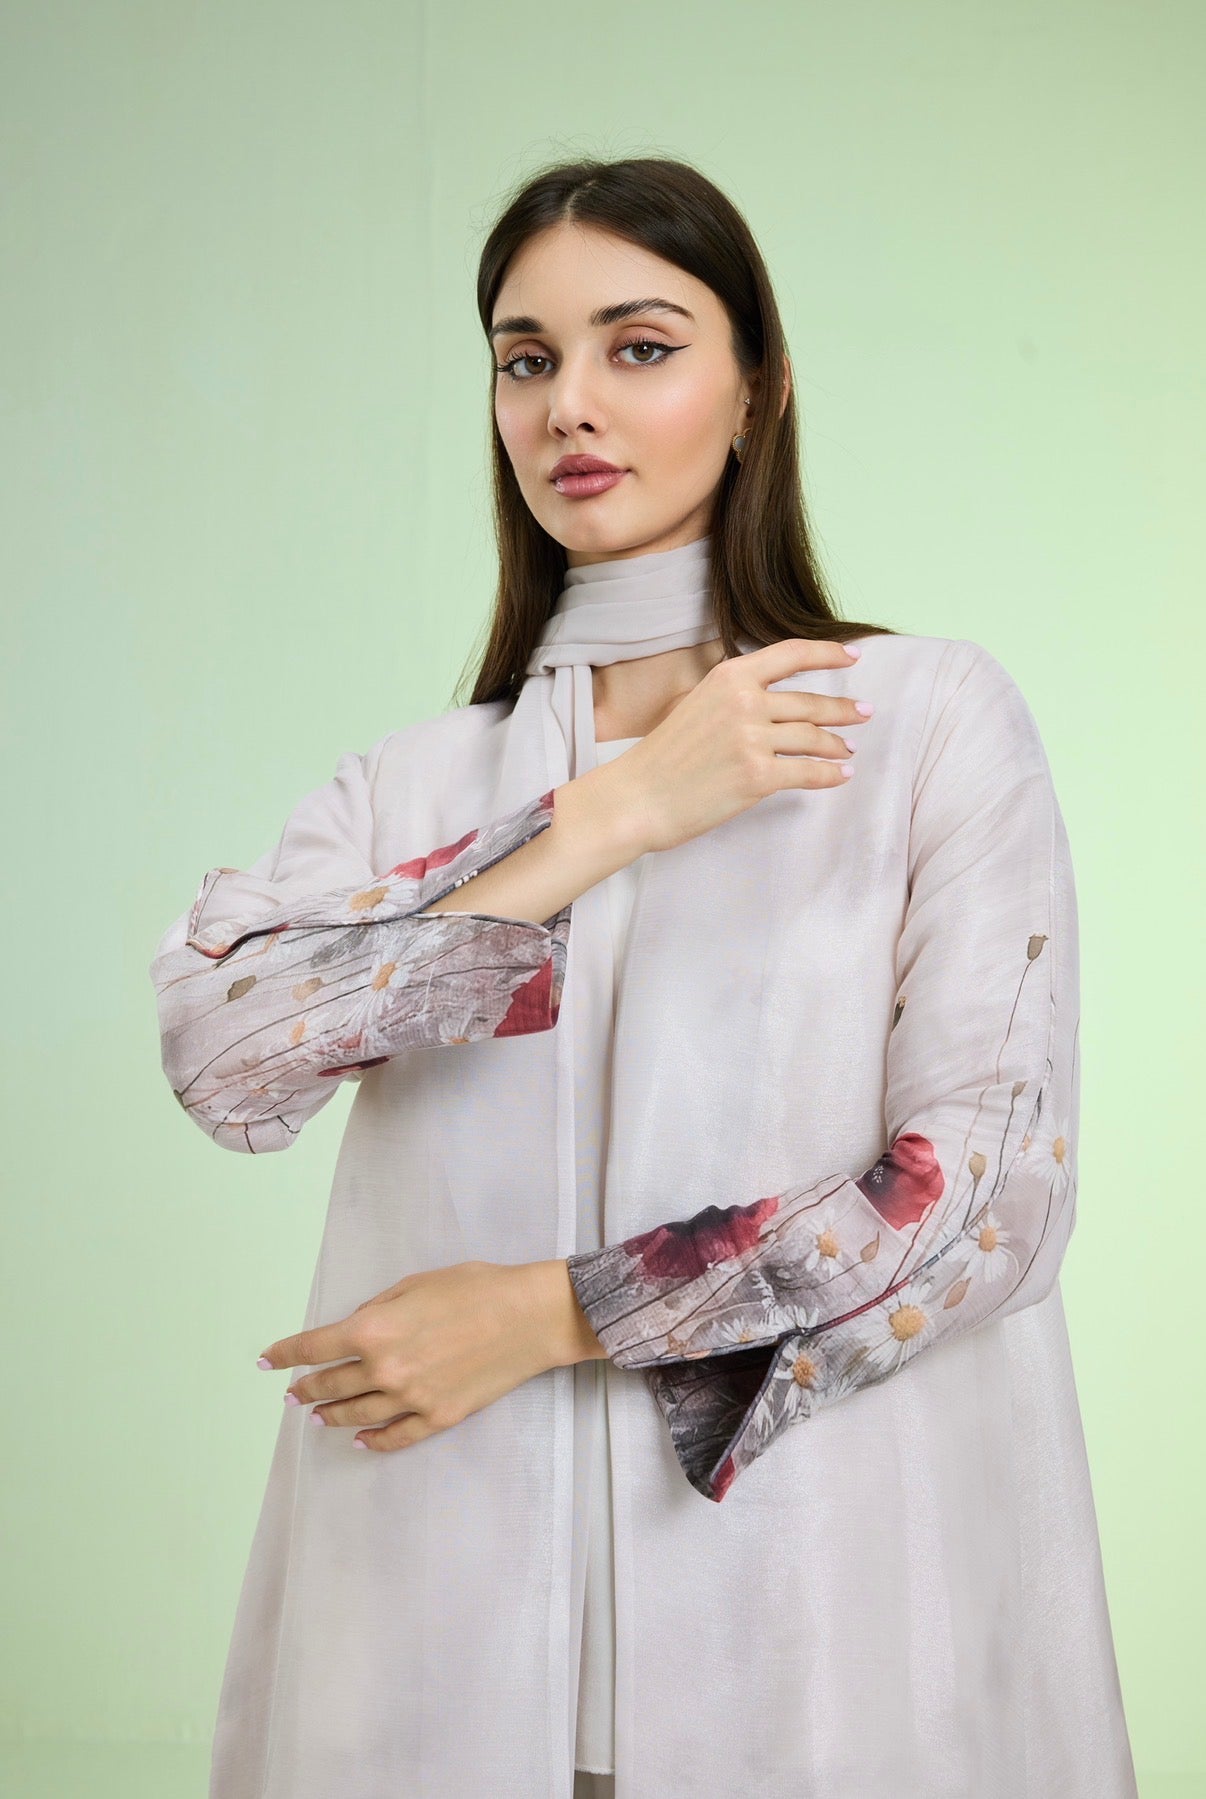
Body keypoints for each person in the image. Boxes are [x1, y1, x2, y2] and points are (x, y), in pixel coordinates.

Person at [150, 155, 1138, 1799]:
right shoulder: (411, 785)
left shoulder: (918, 724)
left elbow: (984, 1203)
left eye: (642, 346)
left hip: (814, 1625)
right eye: (525, 359)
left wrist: (539, 1317)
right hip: (432, 1622)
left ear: (757, 391)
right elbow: (223, 1058)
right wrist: (614, 815)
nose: (570, 406)